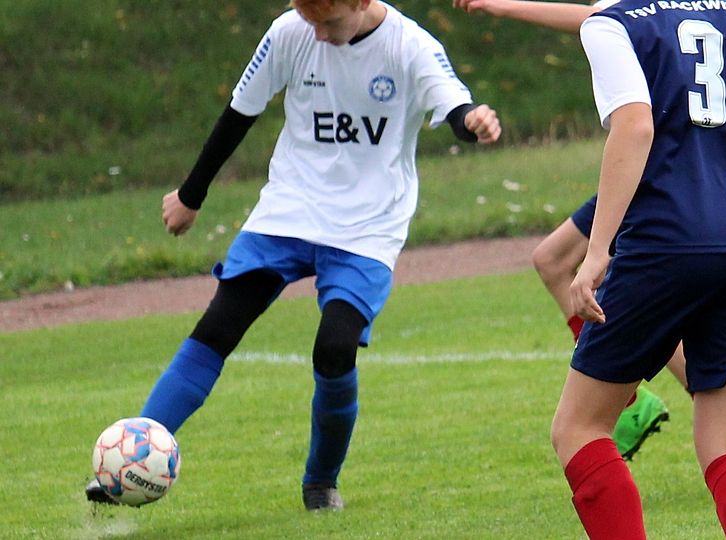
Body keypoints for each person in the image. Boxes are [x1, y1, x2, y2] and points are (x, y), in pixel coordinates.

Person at [86, 0, 500, 511]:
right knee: (218, 327)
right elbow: (240, 111)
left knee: (335, 347)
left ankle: (321, 483)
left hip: (368, 227)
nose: (318, 35)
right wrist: (191, 194)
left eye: (328, 23)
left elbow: (455, 108)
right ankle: (131, 462)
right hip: (290, 210)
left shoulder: (411, 46)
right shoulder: (290, 31)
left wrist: (473, 120)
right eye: (310, 21)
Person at [455, 0, 726, 484]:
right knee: (553, 259)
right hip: (699, 189)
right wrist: (500, 7)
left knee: (628, 301)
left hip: (661, 183)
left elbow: (621, 71)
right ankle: (647, 405)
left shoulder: (644, 17)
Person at [555, 0, 726, 536]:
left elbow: (634, 126)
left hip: (664, 244)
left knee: (580, 428)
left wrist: (597, 249)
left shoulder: (613, 23)